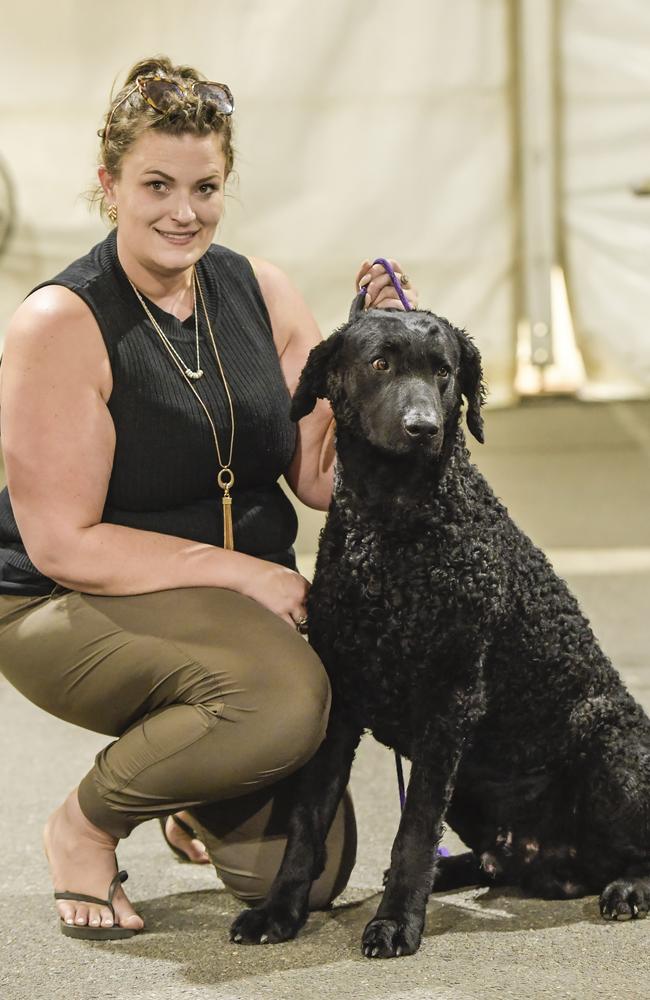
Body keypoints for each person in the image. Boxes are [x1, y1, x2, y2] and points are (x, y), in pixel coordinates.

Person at [0, 55, 417, 940]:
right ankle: (84, 823)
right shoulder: (59, 323)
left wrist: (387, 377)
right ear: (108, 184)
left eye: (205, 186)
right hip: (63, 602)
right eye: (155, 184)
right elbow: (63, 543)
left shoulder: (261, 290)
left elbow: (318, 480)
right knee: (282, 701)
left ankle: (187, 784)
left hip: (225, 605)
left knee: (307, 882)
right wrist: (249, 577)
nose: (182, 212)